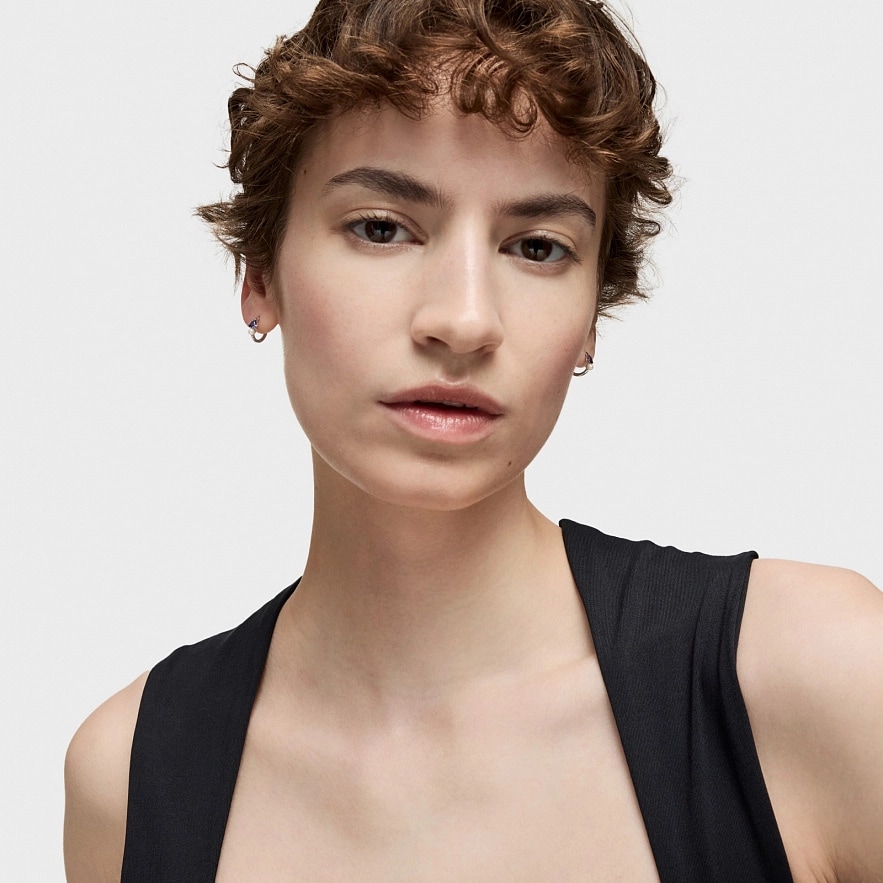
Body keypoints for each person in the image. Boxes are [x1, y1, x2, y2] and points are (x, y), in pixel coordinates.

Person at [63, 0, 883, 880]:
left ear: (591, 316)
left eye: (537, 248)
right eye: (381, 227)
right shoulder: (134, 775)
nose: (463, 320)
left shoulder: (815, 676)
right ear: (259, 273)